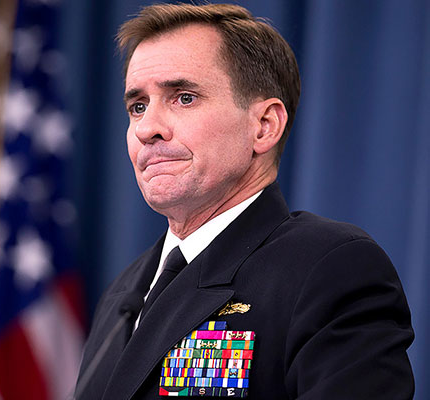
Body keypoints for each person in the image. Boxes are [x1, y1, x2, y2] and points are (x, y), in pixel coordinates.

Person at [75, 3, 414, 399]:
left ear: (264, 126)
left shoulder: (329, 269)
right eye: (138, 106)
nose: (146, 128)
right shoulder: (123, 292)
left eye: (184, 98)